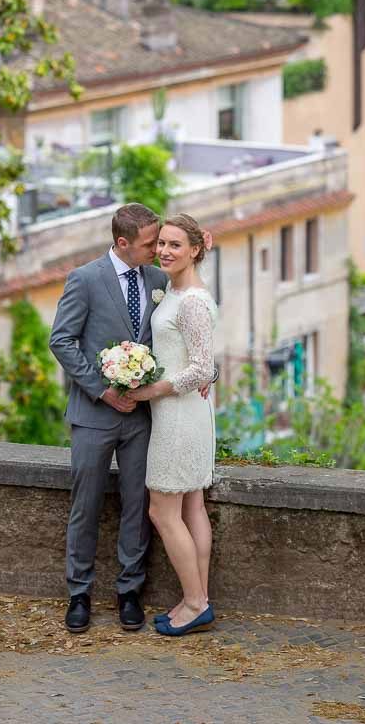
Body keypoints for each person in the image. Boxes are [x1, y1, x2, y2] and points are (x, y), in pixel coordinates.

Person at [49, 203, 166, 634]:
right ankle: (78, 594)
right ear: (122, 243)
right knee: (87, 505)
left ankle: (129, 592)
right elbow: (61, 342)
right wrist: (102, 390)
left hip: (141, 417)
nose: (156, 250)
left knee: (137, 504)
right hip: (93, 414)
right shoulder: (85, 278)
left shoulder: (158, 280)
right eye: (149, 243)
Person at [125, 213, 218, 637]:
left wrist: (152, 391)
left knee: (163, 511)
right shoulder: (177, 292)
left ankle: (197, 603)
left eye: (174, 245)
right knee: (191, 506)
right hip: (183, 413)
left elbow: (202, 367)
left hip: (179, 417)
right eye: (160, 243)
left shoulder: (193, 300)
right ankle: (196, 597)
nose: (163, 251)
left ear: (196, 249)